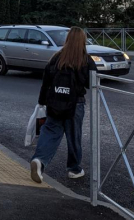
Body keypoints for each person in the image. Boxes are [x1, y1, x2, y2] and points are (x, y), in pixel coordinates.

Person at [30, 27, 97, 184]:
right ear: (82, 41)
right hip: (75, 104)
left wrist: (42, 101)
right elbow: (91, 83)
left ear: (67, 39)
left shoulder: (56, 58)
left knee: (50, 132)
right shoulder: (86, 60)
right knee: (74, 136)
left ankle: (39, 160)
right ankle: (74, 169)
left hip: (54, 103)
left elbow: (46, 82)